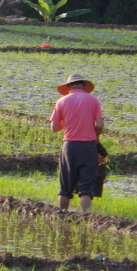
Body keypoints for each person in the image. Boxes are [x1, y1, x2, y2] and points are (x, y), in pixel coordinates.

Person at [49, 74, 105, 212]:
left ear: (68, 87)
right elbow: (100, 124)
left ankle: (62, 215)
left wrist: (67, 121)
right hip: (88, 146)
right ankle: (84, 215)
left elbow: (54, 128)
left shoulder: (62, 101)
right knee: (86, 187)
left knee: (65, 186)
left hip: (70, 146)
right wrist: (95, 134)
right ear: (84, 86)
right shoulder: (93, 100)